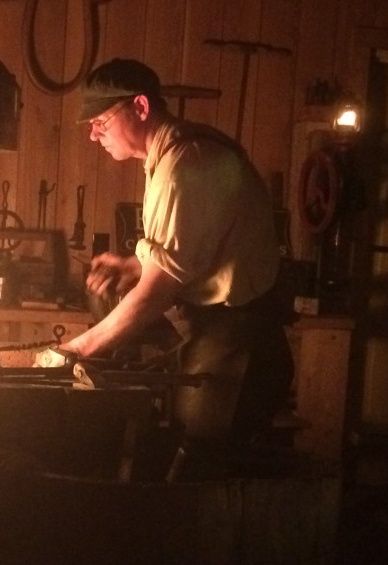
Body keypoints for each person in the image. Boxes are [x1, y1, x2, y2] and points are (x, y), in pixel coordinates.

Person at [58, 58, 294, 476]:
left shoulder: (188, 165)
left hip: (240, 335)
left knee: (198, 459)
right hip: (209, 320)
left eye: (101, 122)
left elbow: (158, 292)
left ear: (141, 107)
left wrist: (80, 349)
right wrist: (135, 265)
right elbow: (194, 247)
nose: (94, 135)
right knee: (106, 295)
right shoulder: (168, 157)